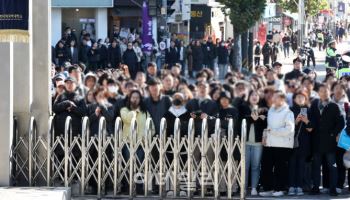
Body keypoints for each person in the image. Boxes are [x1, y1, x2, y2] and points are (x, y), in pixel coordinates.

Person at [309, 83, 345, 196]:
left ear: (329, 92)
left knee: (332, 167)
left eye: (326, 91)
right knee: (316, 166)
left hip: (329, 142)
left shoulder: (334, 105)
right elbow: (312, 120)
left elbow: (341, 122)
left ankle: (332, 188)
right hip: (317, 141)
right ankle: (315, 187)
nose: (323, 93)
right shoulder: (314, 104)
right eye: (321, 91)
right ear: (318, 92)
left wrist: (333, 134)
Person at [259, 91, 295, 197]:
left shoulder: (288, 112)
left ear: (282, 99)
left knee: (280, 167)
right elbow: (268, 126)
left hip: (282, 145)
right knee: (266, 166)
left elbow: (289, 129)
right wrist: (264, 136)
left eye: (276, 97)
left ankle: (280, 189)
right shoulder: (271, 110)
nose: (273, 99)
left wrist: (273, 131)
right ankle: (268, 188)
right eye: (273, 97)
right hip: (269, 143)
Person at [243, 90, 268, 196]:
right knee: (245, 166)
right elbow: (242, 119)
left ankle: (254, 187)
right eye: (252, 95)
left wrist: (259, 119)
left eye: (256, 95)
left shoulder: (264, 109)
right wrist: (254, 118)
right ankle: (243, 187)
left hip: (258, 143)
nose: (254, 97)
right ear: (248, 97)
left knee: (256, 166)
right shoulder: (243, 107)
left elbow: (266, 124)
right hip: (245, 142)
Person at [288, 91, 312, 196]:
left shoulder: (309, 110)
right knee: (292, 164)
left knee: (301, 165)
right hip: (292, 142)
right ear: (294, 99)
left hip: (304, 142)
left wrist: (306, 121)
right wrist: (296, 122)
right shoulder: (290, 110)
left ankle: (299, 186)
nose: (300, 98)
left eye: (302, 97)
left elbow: (311, 129)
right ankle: (291, 186)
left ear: (306, 99)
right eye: (298, 97)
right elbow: (287, 127)